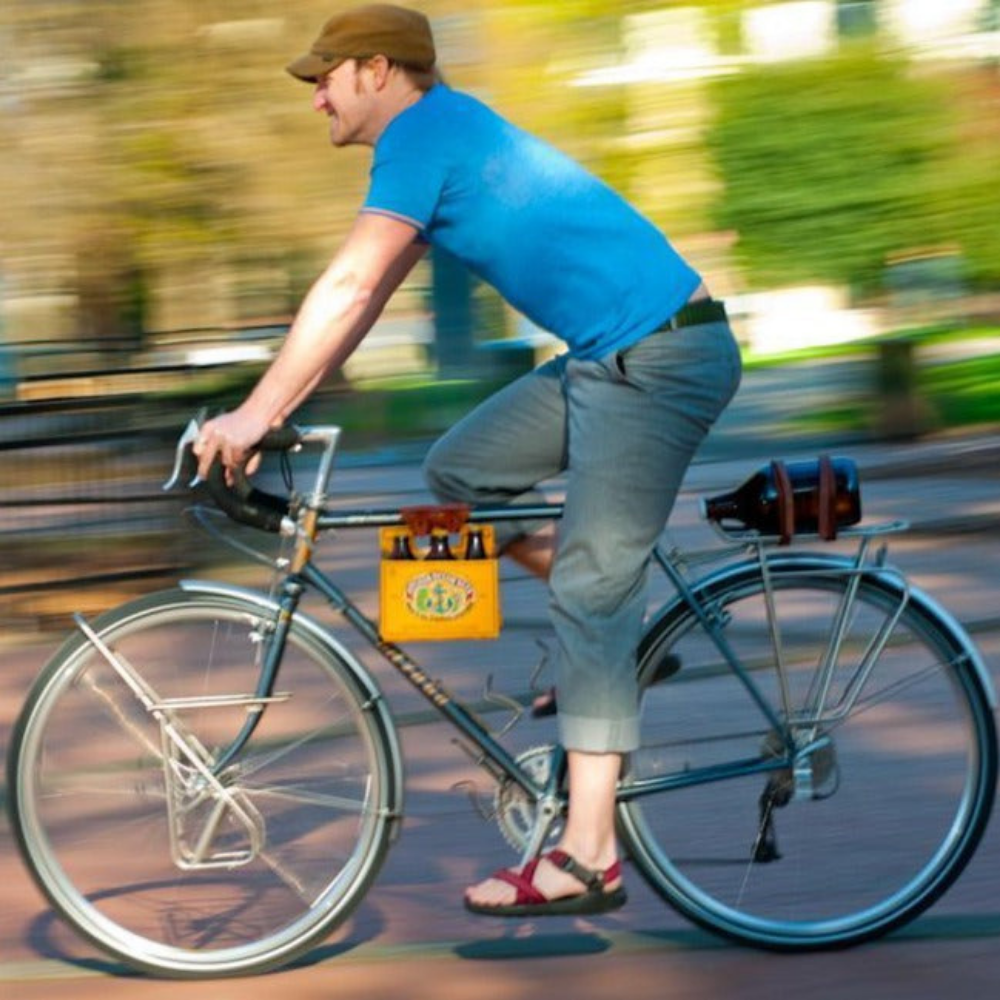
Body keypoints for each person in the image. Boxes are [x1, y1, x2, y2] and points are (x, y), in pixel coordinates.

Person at [194, 3, 742, 917]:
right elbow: (361, 306)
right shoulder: (433, 142)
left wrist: (252, 415)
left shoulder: (423, 132)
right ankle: (611, 645)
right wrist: (276, 407)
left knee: (591, 593)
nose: (316, 98)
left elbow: (349, 282)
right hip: (610, 355)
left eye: (323, 78)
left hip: (655, 355)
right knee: (460, 474)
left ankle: (589, 855)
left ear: (377, 70)